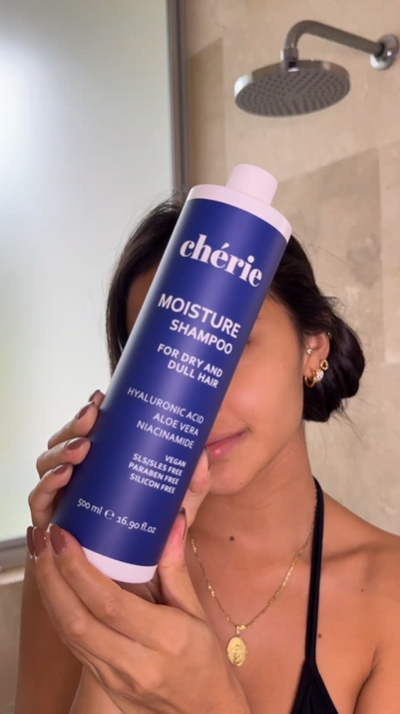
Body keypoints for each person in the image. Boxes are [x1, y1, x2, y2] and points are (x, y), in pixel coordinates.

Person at [15, 200, 400, 714]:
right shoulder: (77, 559)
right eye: (165, 357)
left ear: (313, 345)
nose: (200, 400)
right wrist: (114, 602)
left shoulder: (390, 591)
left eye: (227, 342)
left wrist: (208, 702)